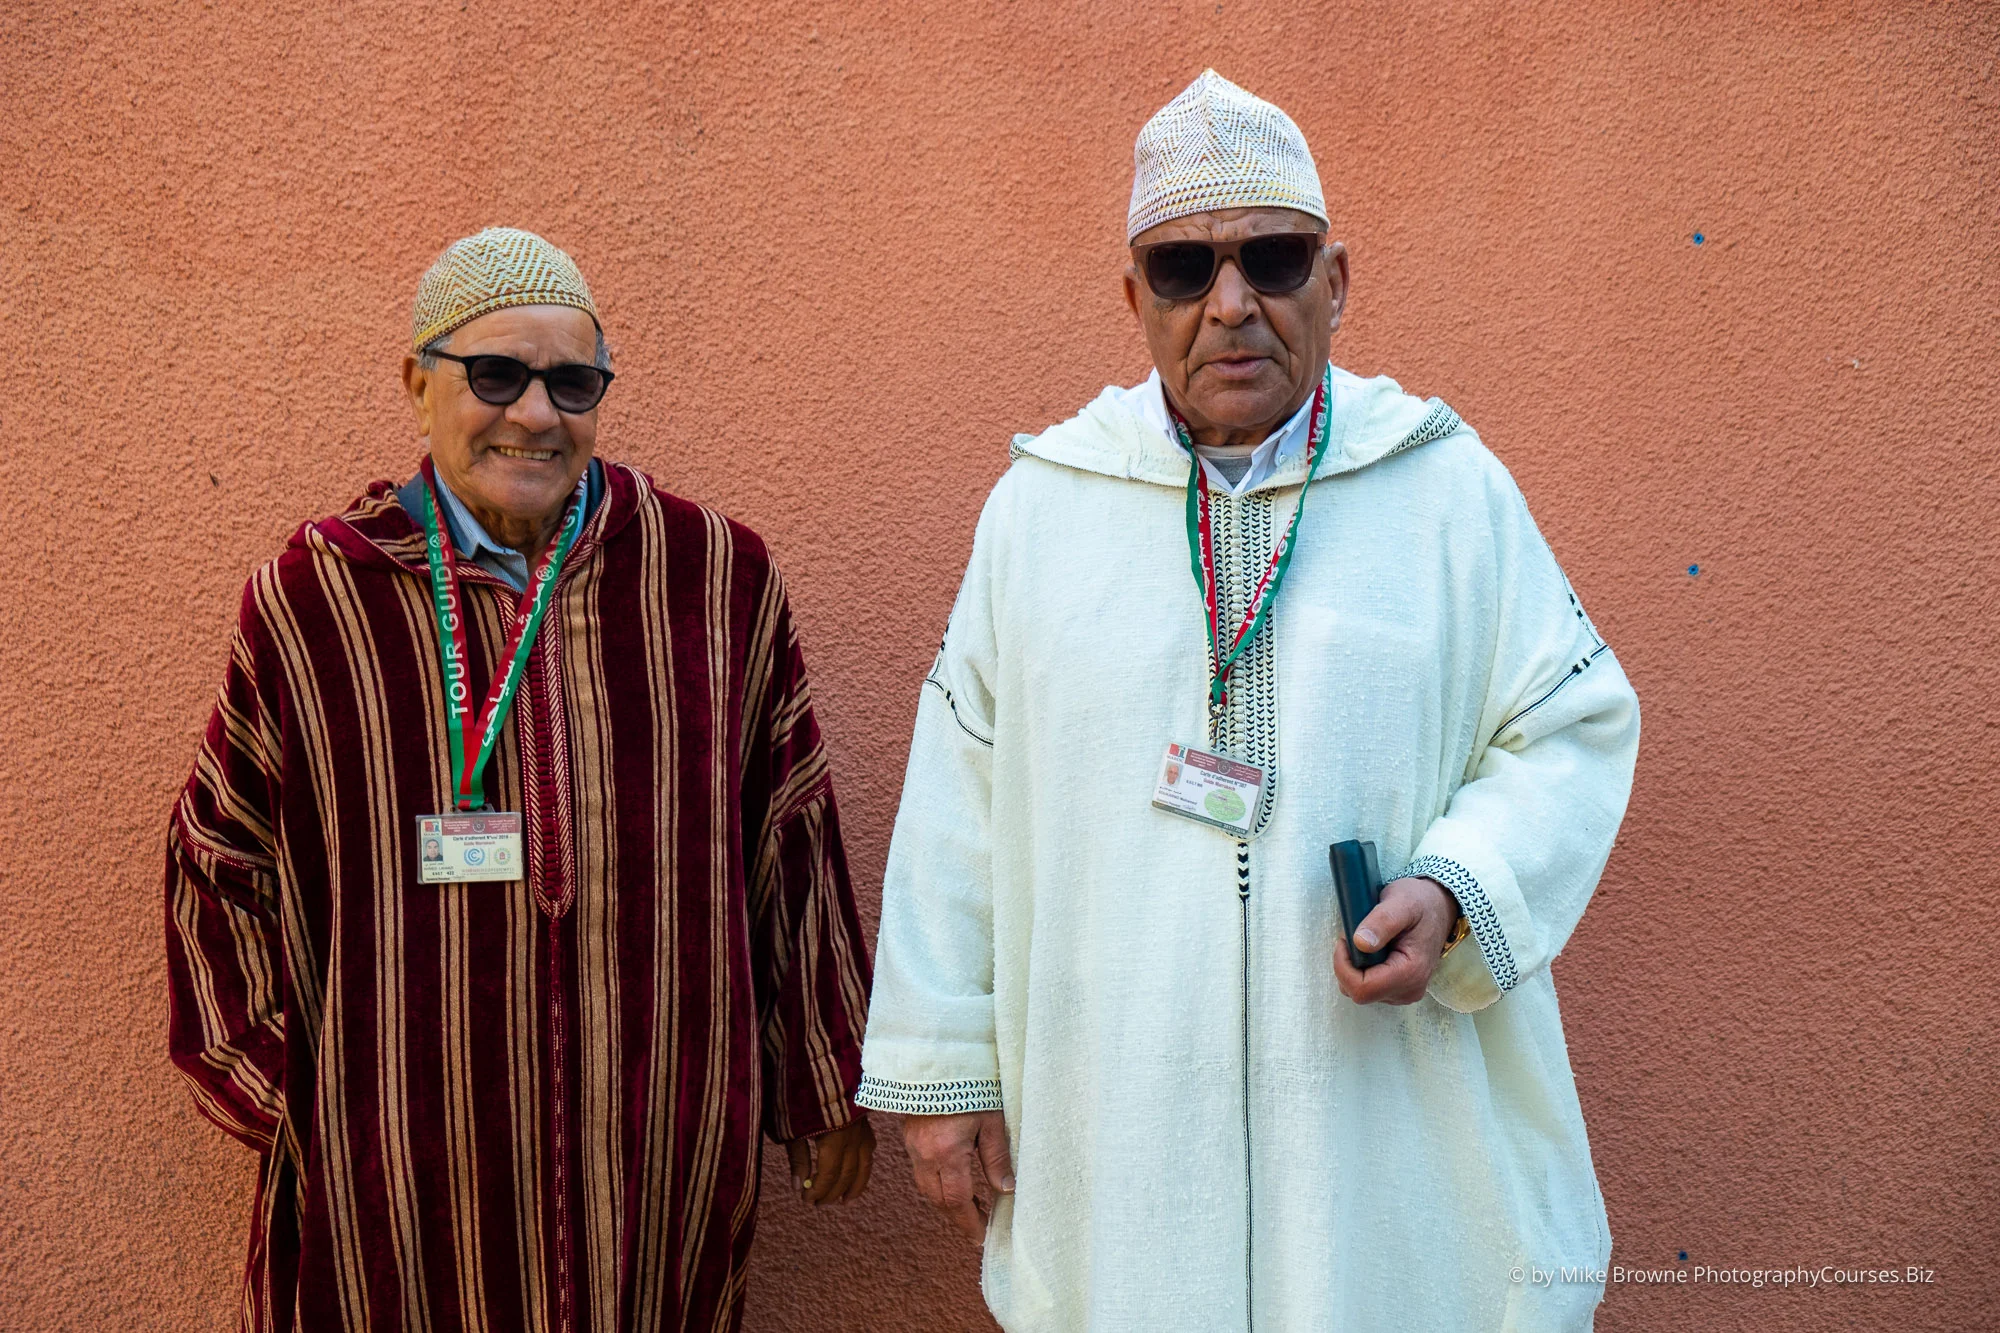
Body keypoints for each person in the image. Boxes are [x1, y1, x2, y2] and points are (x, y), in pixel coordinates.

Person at [855, 72, 1641, 1331]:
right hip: (1119, 1111)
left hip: (1379, 1122)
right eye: (1181, 270)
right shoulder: (1045, 509)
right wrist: (942, 1070)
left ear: (1334, 280)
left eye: (1270, 259)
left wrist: (1454, 887)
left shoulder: (1444, 489)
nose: (1229, 305)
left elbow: (1571, 722)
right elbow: (960, 794)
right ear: (1132, 297)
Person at [165, 227, 874, 1331]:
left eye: (571, 381)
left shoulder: (708, 577)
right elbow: (217, 855)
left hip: (654, 1171)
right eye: (494, 374)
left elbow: (790, 826)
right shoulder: (313, 602)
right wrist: (294, 1097)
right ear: (418, 382)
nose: (535, 414)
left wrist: (820, 1081)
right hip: (393, 1191)